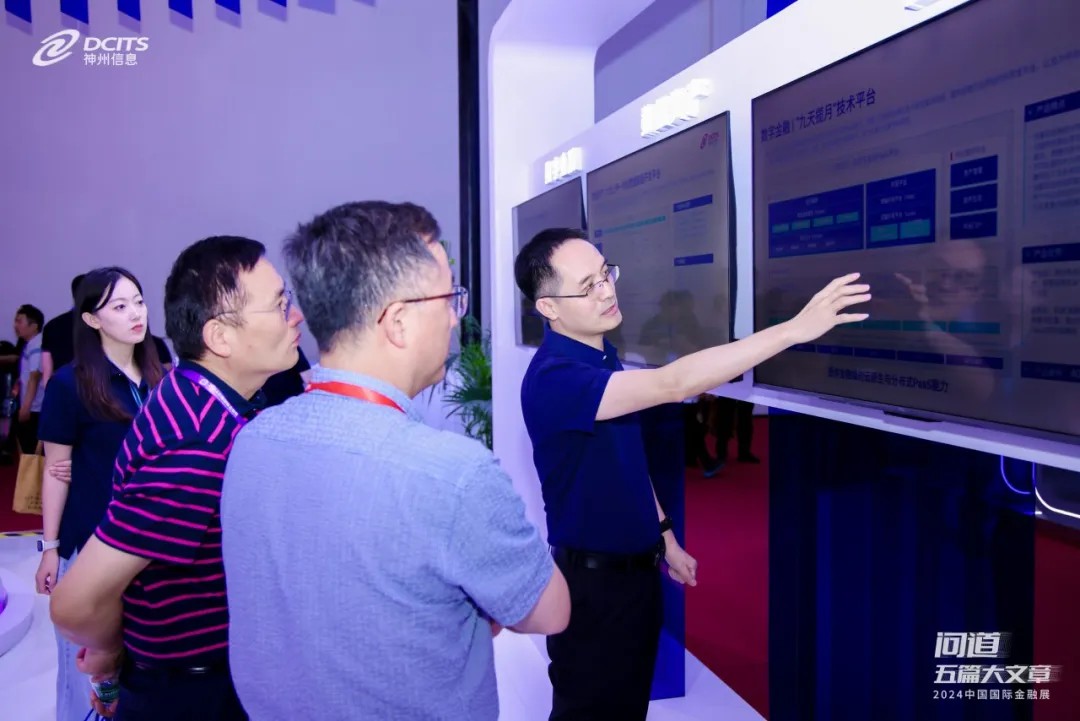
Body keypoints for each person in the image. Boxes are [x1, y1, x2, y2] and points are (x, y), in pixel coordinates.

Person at [220, 202, 569, 721]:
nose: (455, 316)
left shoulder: (251, 442)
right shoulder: (452, 474)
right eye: (449, 298)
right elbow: (550, 611)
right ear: (399, 322)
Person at [515, 228, 871, 720]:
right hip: (594, 589)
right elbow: (675, 383)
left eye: (605, 274)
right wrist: (791, 331)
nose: (606, 291)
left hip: (635, 577)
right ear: (548, 307)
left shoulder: (600, 356)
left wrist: (664, 536)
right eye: (587, 286)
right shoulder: (556, 378)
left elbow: (625, 461)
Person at [49, 236, 303, 721]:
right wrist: (112, 649)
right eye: (279, 304)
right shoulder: (197, 440)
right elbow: (75, 603)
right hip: (193, 694)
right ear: (220, 337)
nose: (295, 317)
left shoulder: (194, 395)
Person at [34, 268, 165, 721]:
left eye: (139, 301)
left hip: (150, 545)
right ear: (92, 320)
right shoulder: (69, 384)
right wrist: (50, 548)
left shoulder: (160, 375)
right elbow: (56, 471)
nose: (135, 313)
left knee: (136, 666)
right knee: (86, 671)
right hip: (92, 541)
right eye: (120, 306)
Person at [41, 274, 87, 386]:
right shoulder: (103, 324)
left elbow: (47, 370)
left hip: (61, 386)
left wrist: (49, 391)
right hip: (95, 388)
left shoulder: (52, 325)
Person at [12, 303, 46, 453]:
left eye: (20, 321)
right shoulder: (31, 344)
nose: (16, 325)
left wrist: (26, 407)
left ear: (34, 326)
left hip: (34, 408)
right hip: (33, 407)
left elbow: (35, 376)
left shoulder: (36, 344)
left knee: (31, 454)